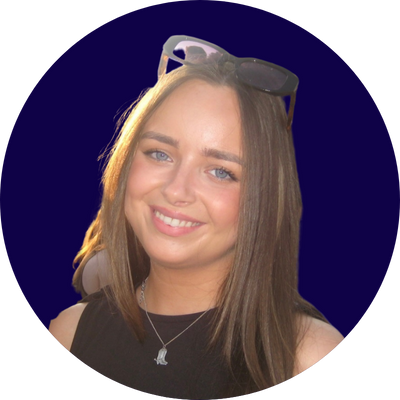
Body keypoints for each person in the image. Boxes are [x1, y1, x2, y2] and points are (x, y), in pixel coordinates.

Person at [48, 35, 345, 398]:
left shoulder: (309, 355)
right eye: (160, 153)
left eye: (221, 171)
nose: (177, 190)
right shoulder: (69, 334)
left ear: (264, 197)